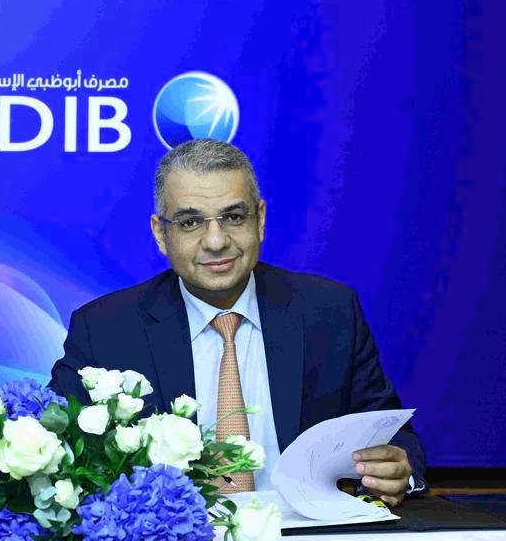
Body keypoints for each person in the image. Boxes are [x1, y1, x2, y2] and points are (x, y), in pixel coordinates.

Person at [50, 139, 426, 505]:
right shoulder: (104, 330)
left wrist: (397, 472)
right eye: (190, 222)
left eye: (233, 217)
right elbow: (60, 457)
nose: (216, 241)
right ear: (160, 234)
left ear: (260, 220)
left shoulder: (329, 312)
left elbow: (392, 436)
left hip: (309, 538)